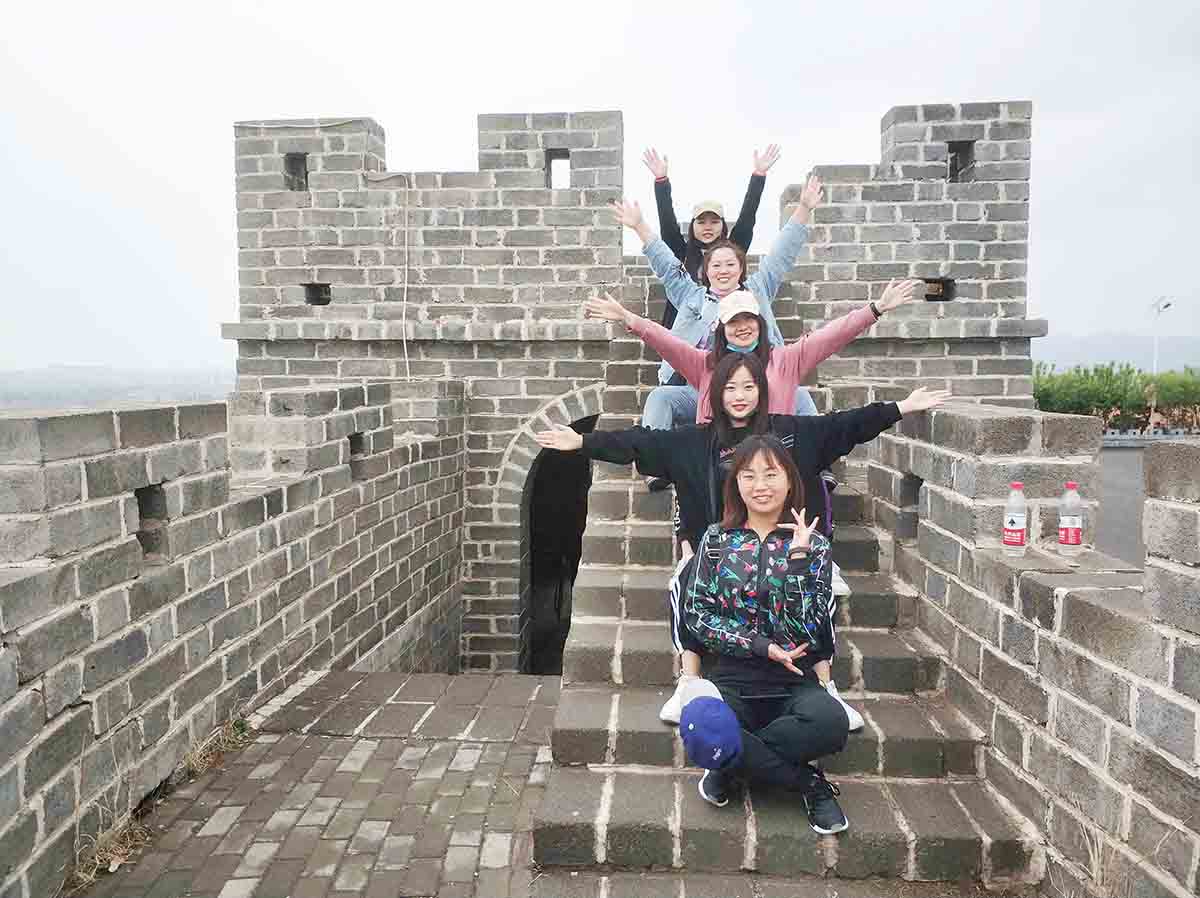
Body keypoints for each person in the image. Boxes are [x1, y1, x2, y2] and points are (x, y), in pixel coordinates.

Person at [533, 353, 950, 726]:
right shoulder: (694, 442)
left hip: (783, 547)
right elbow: (640, 441)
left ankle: (825, 685)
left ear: (762, 391)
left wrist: (899, 408)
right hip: (720, 555)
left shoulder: (790, 434)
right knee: (685, 580)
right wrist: (583, 442)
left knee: (816, 589)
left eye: (749, 387)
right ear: (716, 393)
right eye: (730, 387)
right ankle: (690, 678)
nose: (739, 396)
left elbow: (844, 425)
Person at [682, 435, 849, 832]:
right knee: (702, 724)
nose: (760, 485)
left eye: (771, 474)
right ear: (736, 484)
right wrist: (759, 645)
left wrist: (798, 559)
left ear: (789, 481)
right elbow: (698, 616)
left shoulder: (815, 546)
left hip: (792, 681)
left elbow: (807, 628)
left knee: (832, 723)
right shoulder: (717, 540)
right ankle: (808, 783)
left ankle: (732, 761)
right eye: (749, 475)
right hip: (733, 678)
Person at [610, 172, 824, 432]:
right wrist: (640, 226)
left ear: (740, 269)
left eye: (730, 264)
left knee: (800, 396)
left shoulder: (757, 291)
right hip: (703, 391)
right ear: (706, 271)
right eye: (717, 265)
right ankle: (655, 456)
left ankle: (817, 457)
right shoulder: (692, 296)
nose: (723, 271)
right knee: (660, 398)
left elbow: (781, 255)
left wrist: (803, 209)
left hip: (758, 388)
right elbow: (667, 265)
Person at [641, 145, 781, 330]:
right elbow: (667, 221)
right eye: (701, 222)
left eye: (714, 222)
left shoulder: (733, 249)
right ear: (693, 226)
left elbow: (748, 216)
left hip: (728, 328)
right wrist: (661, 181)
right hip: (686, 331)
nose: (708, 227)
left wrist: (759, 176)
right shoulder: (681, 252)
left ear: (723, 225)